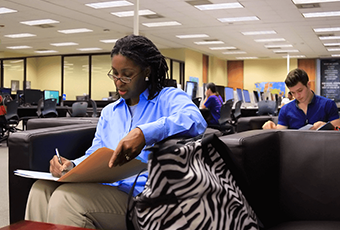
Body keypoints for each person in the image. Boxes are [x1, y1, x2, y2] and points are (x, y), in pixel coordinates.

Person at [25, 35, 207, 230]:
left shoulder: (168, 97)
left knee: (66, 199)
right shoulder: (109, 112)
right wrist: (72, 165)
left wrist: (144, 133)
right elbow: (96, 151)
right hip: (105, 187)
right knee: (40, 189)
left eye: (127, 75)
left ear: (146, 71)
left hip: (142, 198)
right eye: (115, 74)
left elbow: (195, 119)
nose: (119, 82)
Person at [263, 68, 340, 130]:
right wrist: (271, 128)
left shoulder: (328, 104)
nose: (297, 96)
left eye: (300, 91)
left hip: (322, 147)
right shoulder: (285, 109)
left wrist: (326, 126)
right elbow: (281, 133)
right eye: (293, 92)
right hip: (295, 147)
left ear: (308, 85)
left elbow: (337, 130)